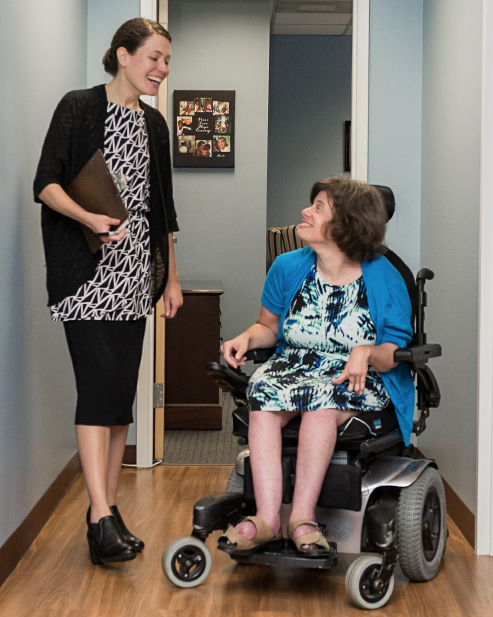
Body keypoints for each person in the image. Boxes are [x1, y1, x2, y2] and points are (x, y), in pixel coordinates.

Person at [33, 18, 182, 565]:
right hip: (85, 274)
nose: (161, 70)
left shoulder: (155, 125)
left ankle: (107, 513)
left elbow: (163, 209)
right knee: (97, 388)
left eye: (166, 61)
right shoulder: (78, 107)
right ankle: (100, 515)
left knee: (119, 397)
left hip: (136, 275)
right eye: (153, 58)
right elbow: (45, 183)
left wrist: (170, 276)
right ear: (123, 55)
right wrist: (88, 218)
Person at [220, 177, 414, 554]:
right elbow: (268, 327)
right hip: (294, 367)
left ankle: (302, 519)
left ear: (346, 223)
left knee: (321, 408)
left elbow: (394, 351)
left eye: (318, 207)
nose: (305, 212)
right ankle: (266, 518)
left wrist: (365, 352)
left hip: (354, 376)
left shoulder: (386, 278)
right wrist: (246, 338)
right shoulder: (287, 266)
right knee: (261, 397)